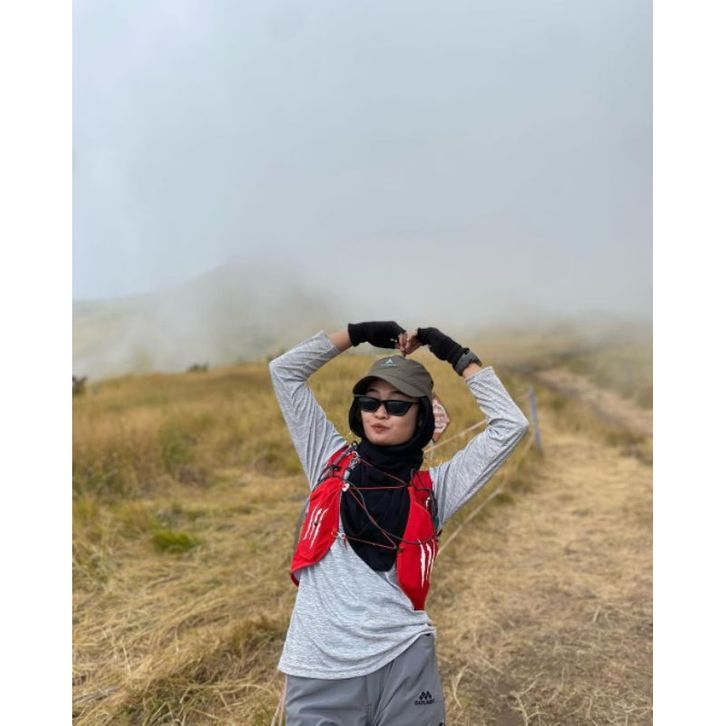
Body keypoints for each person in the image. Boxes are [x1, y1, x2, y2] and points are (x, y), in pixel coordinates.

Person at [269, 321, 529, 726]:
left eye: (397, 405)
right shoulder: (327, 459)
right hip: (320, 668)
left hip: (404, 661)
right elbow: (285, 372)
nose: (379, 413)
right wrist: (356, 334)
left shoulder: (435, 489)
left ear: (421, 415)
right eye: (369, 401)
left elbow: (511, 425)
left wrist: (457, 356)